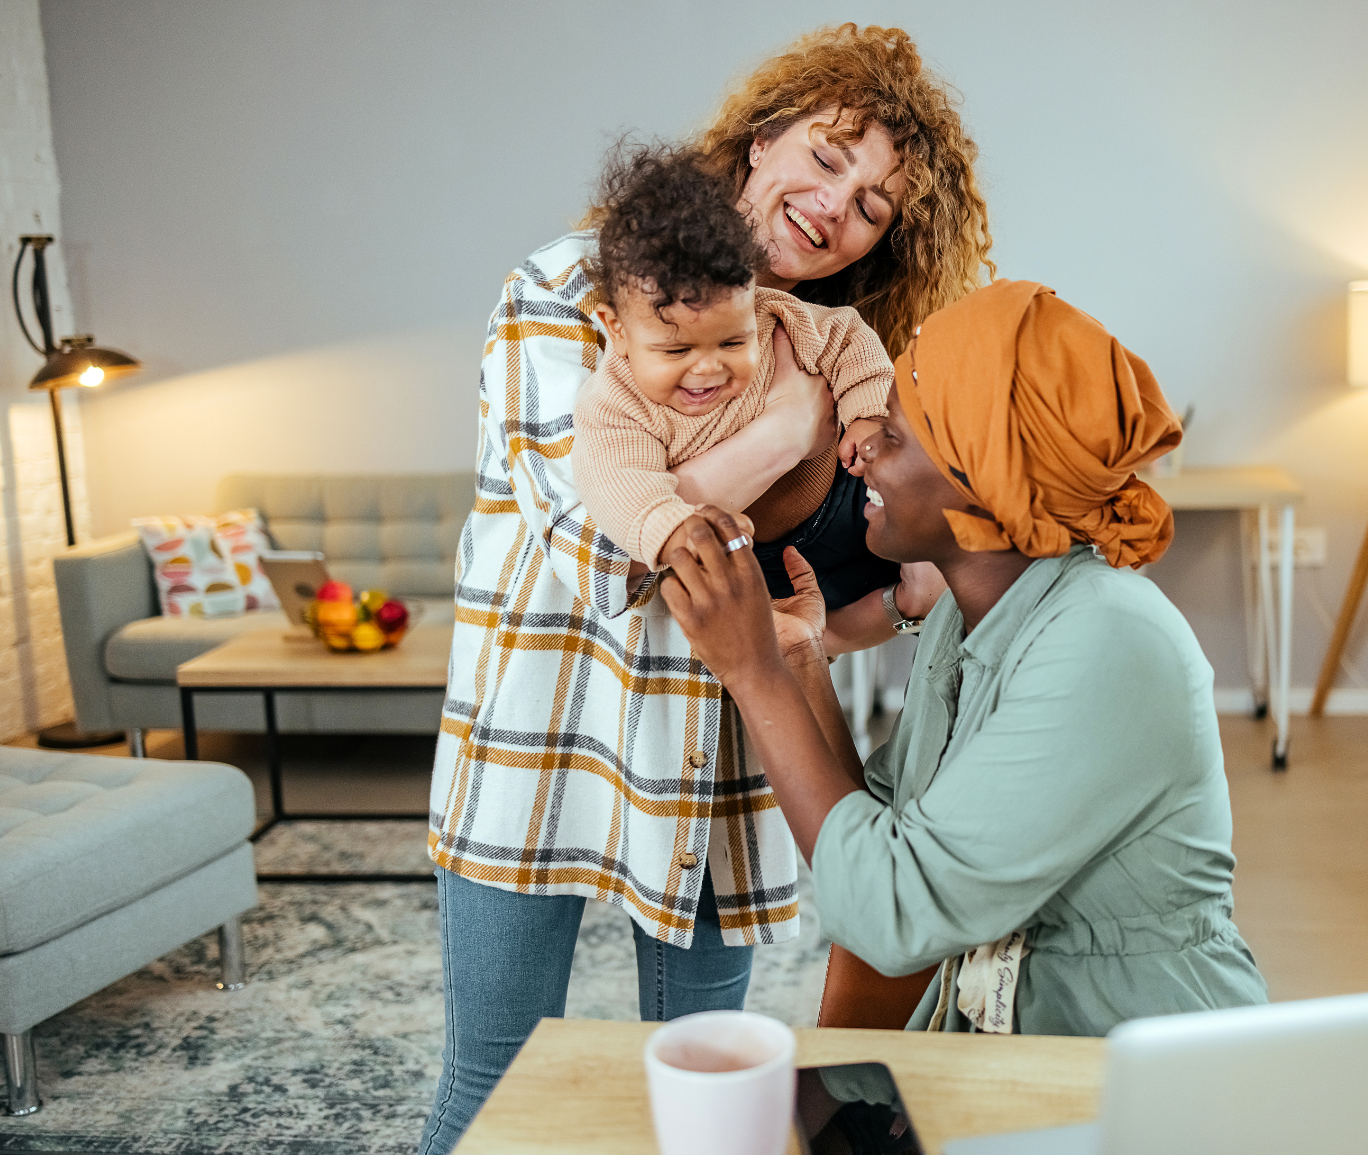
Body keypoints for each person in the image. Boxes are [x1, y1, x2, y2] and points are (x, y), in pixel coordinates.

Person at [421, 24, 991, 1152]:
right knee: (490, 1091)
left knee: (710, 1099)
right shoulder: (568, 285)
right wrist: (781, 430)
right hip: (539, 741)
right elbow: (593, 550)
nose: (834, 207)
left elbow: (807, 605)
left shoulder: (831, 345)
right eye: (826, 158)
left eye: (872, 205)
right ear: (761, 138)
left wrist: (873, 610)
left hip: (715, 763)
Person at [660, 280, 1270, 1036]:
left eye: (892, 432)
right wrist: (798, 658)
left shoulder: (1110, 638)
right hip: (1018, 1061)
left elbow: (892, 912)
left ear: (985, 479)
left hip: (1145, 1075)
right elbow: (884, 831)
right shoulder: (963, 617)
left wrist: (753, 672)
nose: (858, 448)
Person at [574, 142, 900, 608]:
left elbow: (847, 336)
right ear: (618, 330)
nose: (708, 369)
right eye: (677, 349)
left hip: (849, 497)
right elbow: (622, 489)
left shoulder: (773, 314)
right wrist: (676, 532)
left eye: (732, 343)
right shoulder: (615, 406)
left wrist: (867, 414)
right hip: (773, 560)